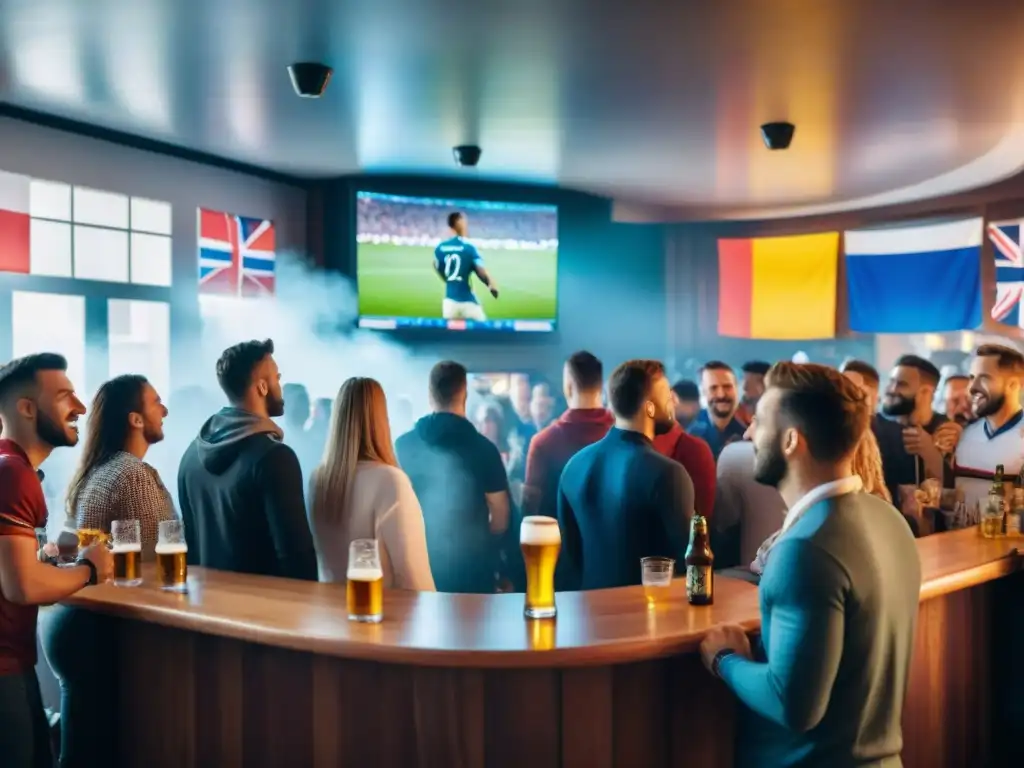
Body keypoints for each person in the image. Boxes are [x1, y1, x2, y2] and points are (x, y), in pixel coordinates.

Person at [700, 363, 921, 767]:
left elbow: (793, 705)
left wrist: (725, 660)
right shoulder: (891, 520)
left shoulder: (804, 550)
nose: (748, 433)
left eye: (760, 421)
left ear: (790, 441)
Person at [0, 353, 112, 768]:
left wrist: (44, 554)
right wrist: (90, 569)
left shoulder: (9, 465)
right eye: (65, 396)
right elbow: (22, 587)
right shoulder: (14, 473)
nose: (81, 407)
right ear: (26, 409)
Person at [177, 339, 317, 580]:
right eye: (277, 379)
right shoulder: (275, 458)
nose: (280, 388)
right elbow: (297, 558)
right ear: (262, 387)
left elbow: (191, 550)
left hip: (207, 610)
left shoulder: (190, 455)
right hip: (263, 612)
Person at [558, 359, 695, 590]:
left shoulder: (574, 466)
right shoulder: (668, 474)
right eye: (666, 394)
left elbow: (570, 560)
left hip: (590, 618)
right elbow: (690, 564)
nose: (673, 401)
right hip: (651, 618)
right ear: (650, 407)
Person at [395, 361, 510, 593]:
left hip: (415, 569)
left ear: (430, 395)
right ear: (464, 394)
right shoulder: (484, 449)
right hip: (472, 573)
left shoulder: (402, 445)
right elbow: (501, 518)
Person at [309, 378, 434, 590]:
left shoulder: (318, 479)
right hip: (379, 614)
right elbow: (415, 580)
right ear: (381, 419)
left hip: (330, 616)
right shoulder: (390, 481)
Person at [523, 351, 614, 521]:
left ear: (568, 386)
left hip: (559, 544)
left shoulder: (543, 442)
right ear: (601, 385)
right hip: (616, 545)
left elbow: (530, 507)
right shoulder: (626, 434)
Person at [954, 344, 1024, 511]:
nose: (972, 388)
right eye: (972, 377)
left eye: (984, 378)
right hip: (954, 536)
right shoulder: (964, 433)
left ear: (1013, 385)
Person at [434, 212, 500, 321]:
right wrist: (490, 283)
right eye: (464, 222)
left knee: (451, 335)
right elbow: (480, 271)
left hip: (449, 301)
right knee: (483, 330)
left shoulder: (441, 248)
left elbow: (437, 266)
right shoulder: (469, 248)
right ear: (458, 223)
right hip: (467, 301)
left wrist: (447, 280)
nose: (466, 226)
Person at [688, 361, 747, 460]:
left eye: (727, 387)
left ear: (737, 389)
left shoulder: (746, 435)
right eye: (713, 388)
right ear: (703, 393)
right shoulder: (688, 435)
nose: (721, 395)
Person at [736, 360, 771, 425]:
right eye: (744, 382)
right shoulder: (739, 411)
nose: (744, 388)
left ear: (763, 383)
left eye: (749, 383)